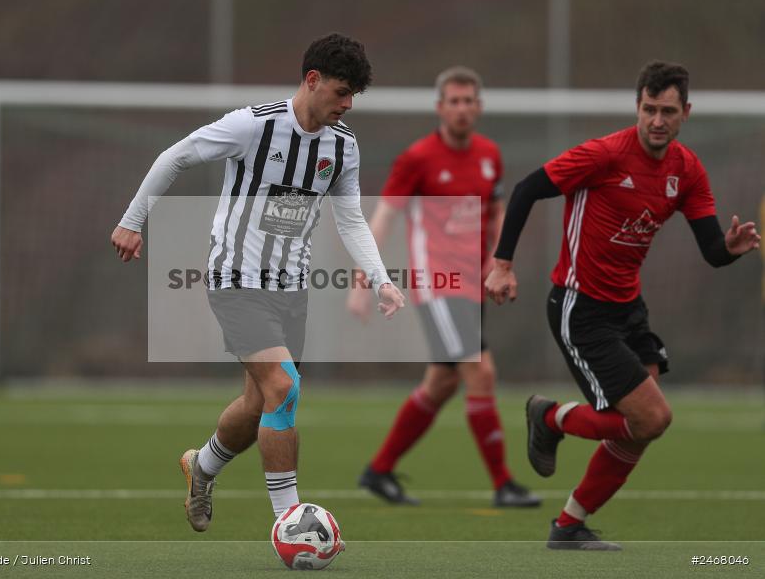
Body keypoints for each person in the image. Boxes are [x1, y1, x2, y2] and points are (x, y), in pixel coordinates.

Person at [111, 33, 406, 532]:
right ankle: (290, 521)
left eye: (354, 94)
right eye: (340, 91)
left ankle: (201, 466)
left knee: (257, 404)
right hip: (235, 280)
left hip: (292, 288)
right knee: (284, 388)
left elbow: (352, 219)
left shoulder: (343, 146)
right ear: (312, 81)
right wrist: (132, 220)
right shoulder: (253, 126)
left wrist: (381, 279)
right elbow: (176, 156)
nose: (348, 103)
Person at [485, 60, 761, 550]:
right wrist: (503, 263)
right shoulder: (605, 154)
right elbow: (528, 189)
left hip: (629, 309)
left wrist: (731, 249)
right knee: (652, 419)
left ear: (685, 113)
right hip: (580, 307)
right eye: (649, 109)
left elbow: (712, 250)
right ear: (638, 107)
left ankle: (568, 526)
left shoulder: (687, 170)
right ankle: (550, 418)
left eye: (668, 111)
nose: (657, 120)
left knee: (640, 428)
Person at [347, 67, 540, 508]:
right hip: (437, 284)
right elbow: (383, 217)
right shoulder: (417, 158)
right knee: (480, 371)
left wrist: (501, 264)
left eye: (469, 100)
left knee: (441, 383)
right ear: (440, 108)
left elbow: (498, 214)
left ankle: (378, 471)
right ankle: (504, 484)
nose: (461, 108)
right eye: (453, 101)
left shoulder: (490, 155)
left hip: (473, 285)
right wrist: (363, 281)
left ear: (479, 107)